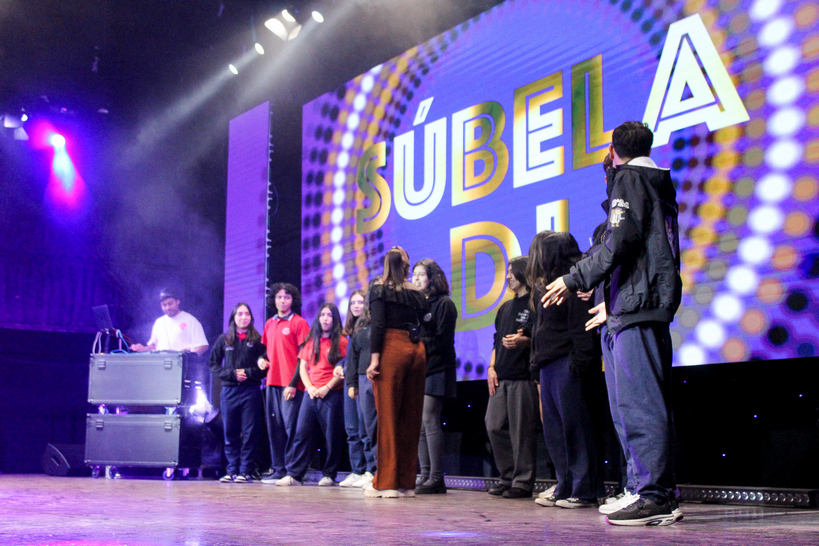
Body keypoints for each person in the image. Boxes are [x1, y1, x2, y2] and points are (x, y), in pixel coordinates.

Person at [541, 121, 683, 526]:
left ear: (612, 151)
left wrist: (573, 278)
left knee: (640, 405)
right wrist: (609, 302)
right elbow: (642, 253)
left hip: (637, 308)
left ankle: (654, 495)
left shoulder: (630, 178)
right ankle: (642, 487)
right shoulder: (651, 183)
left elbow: (619, 242)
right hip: (631, 305)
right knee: (630, 406)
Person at [528, 231, 604, 509]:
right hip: (549, 365)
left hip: (567, 364)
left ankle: (584, 489)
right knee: (555, 432)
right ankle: (565, 484)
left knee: (576, 430)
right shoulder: (546, 288)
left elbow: (581, 328)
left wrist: (579, 364)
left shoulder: (572, 284)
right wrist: (536, 366)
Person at [364, 247, 428, 498]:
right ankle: (406, 483)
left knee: (388, 417)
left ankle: (387, 483)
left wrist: (374, 359)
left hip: (392, 348)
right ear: (406, 265)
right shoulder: (417, 292)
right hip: (417, 350)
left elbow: (378, 325)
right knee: (411, 418)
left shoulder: (379, 288)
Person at [277, 303, 348, 486]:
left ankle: (329, 474)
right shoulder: (311, 340)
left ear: (335, 319)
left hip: (332, 393)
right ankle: (294, 475)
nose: (325, 319)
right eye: (323, 315)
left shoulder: (342, 342)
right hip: (311, 394)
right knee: (302, 433)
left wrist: (327, 387)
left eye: (329, 315)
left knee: (331, 436)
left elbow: (343, 370)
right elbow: (303, 367)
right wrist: (309, 387)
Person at [485, 256, 538, 499]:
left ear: (523, 273)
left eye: (511, 271)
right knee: (494, 425)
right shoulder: (505, 307)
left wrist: (524, 340)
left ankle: (523, 482)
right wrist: (491, 367)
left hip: (523, 376)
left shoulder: (535, 303)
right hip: (501, 375)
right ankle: (507, 477)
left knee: (521, 432)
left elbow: (539, 337)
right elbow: (496, 340)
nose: (508, 276)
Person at [412, 259, 457, 495]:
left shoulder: (444, 304)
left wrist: (417, 343)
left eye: (421, 274)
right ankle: (426, 474)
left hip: (438, 367)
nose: (416, 279)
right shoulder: (417, 306)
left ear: (432, 277)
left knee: (429, 419)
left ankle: (437, 477)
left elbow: (442, 339)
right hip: (420, 369)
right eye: (414, 275)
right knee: (420, 423)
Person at [257, 283, 311, 484]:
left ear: (293, 300)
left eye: (287, 297)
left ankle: (293, 472)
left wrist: (293, 383)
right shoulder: (270, 323)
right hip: (272, 382)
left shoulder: (299, 323)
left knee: (292, 429)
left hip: (292, 385)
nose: (282, 300)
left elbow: (304, 357)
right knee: (275, 429)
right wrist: (261, 360)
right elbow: (267, 351)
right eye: (279, 297)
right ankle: (278, 470)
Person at [209, 302, 267, 483]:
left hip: (251, 391)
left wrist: (247, 373)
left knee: (250, 432)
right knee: (230, 431)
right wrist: (232, 374)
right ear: (233, 317)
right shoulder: (224, 339)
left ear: (251, 317)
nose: (243, 317)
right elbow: (213, 365)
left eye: (247, 314)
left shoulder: (258, 340)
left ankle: (246, 471)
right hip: (229, 391)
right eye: (240, 314)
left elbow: (264, 368)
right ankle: (232, 470)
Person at [337, 289, 378, 488]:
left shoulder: (369, 328)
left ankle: (371, 470)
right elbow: (351, 357)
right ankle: (357, 470)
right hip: (351, 381)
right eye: (352, 302)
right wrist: (341, 366)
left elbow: (360, 357)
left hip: (363, 380)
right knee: (352, 428)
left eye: (360, 302)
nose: (356, 306)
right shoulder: (351, 330)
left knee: (365, 427)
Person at [131, 288, 208, 353]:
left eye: (170, 303)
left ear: (177, 301)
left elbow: (203, 346)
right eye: (164, 305)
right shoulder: (159, 322)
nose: (167, 307)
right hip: (161, 364)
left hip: (183, 364)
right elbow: (153, 346)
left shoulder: (191, 320)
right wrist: (144, 349)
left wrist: (189, 356)